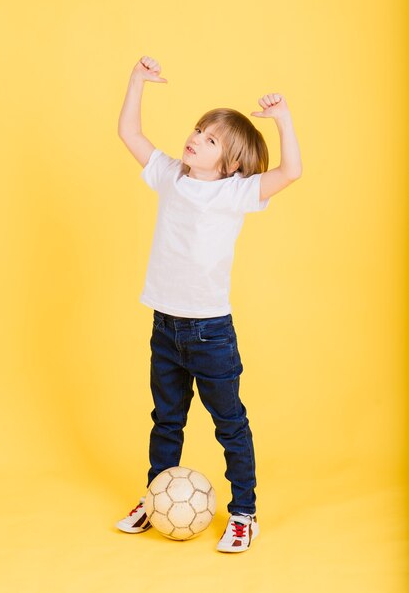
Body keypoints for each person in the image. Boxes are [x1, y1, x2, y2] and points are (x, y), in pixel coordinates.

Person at [115, 55, 302, 552]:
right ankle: (158, 495)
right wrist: (137, 82)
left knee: (229, 422)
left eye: (211, 138)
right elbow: (130, 133)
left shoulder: (237, 194)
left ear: (232, 163)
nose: (196, 137)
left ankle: (244, 511)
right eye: (199, 129)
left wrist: (282, 118)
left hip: (210, 332)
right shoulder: (170, 175)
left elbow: (292, 171)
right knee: (166, 419)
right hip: (166, 325)